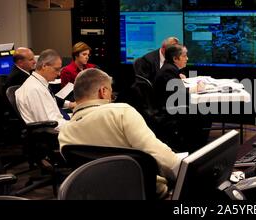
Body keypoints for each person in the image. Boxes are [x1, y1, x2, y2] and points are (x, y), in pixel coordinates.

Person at [58, 68, 181, 199]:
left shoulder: (64, 133)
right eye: (111, 93)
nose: (112, 98)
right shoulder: (121, 112)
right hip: (147, 192)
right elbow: (164, 159)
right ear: (103, 91)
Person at [154, 44, 210, 153]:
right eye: (184, 56)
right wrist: (196, 88)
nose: (187, 58)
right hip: (168, 112)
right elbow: (179, 94)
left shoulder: (169, 68)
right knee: (204, 112)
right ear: (175, 58)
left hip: (169, 107)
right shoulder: (168, 71)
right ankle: (196, 149)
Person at [15, 49, 73, 131]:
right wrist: (76, 125)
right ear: (44, 66)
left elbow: (54, 117)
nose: (59, 73)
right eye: (56, 69)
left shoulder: (39, 84)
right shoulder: (34, 89)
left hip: (56, 128)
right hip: (51, 136)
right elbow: (52, 124)